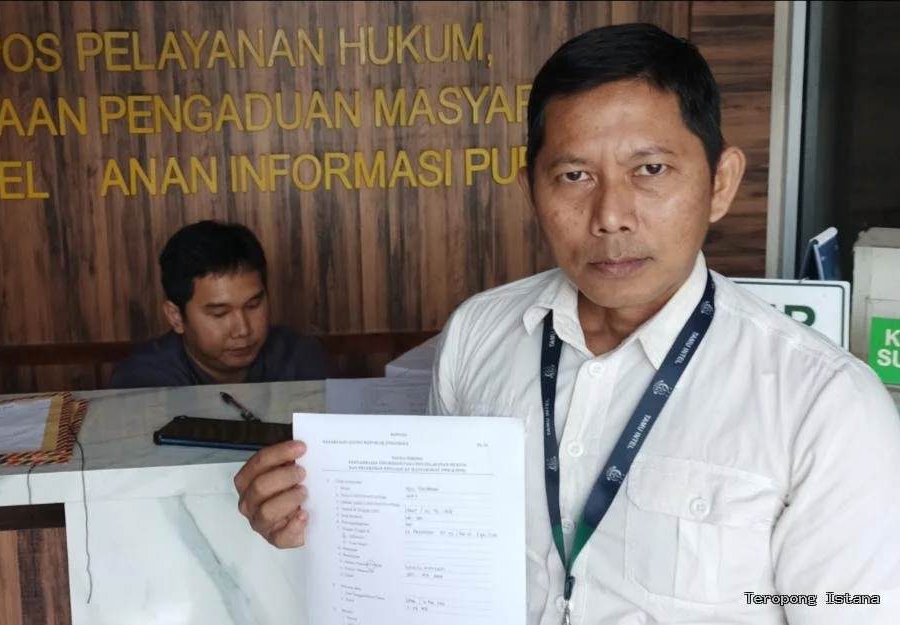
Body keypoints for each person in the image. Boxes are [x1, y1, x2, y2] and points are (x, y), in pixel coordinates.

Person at [231, 22, 900, 624]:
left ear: (720, 183)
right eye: (575, 175)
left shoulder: (824, 404)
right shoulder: (477, 335)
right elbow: (437, 555)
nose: (610, 215)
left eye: (651, 169)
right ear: (532, 190)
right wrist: (322, 520)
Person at [109, 220, 337, 388]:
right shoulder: (142, 381)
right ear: (176, 317)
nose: (243, 330)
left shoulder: (300, 357)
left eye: (253, 305)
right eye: (219, 313)